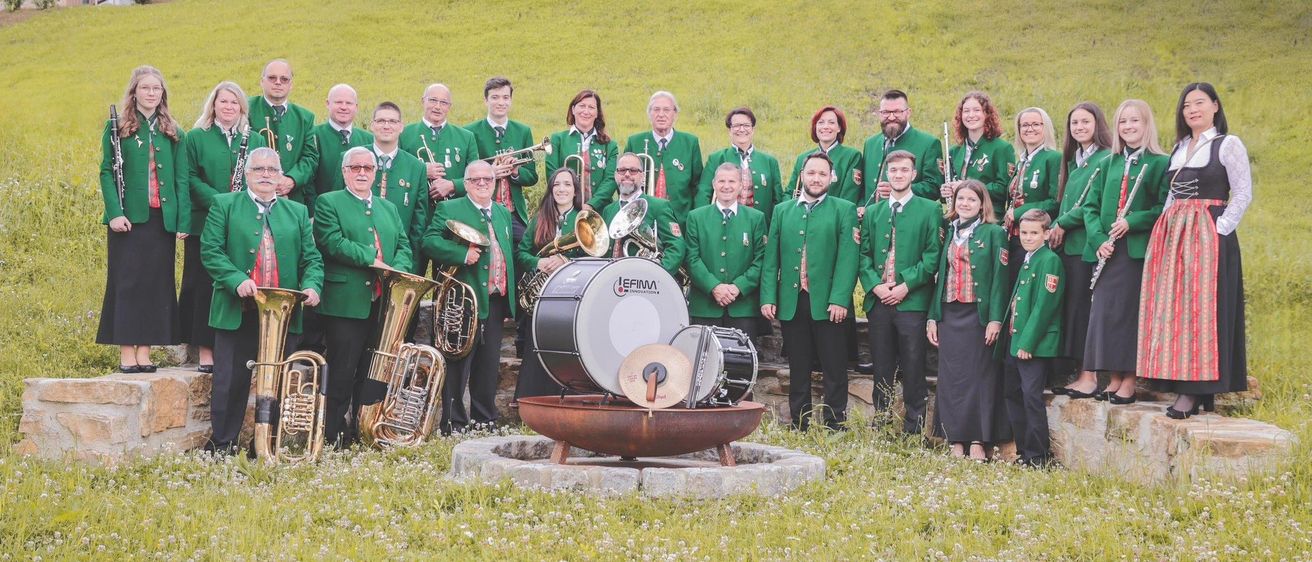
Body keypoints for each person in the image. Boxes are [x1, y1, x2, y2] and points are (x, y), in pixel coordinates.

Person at [199, 147, 323, 454]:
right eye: (259, 169)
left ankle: (268, 445)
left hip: (283, 314)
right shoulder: (224, 204)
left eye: (272, 170)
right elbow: (211, 251)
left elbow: (312, 259)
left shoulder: (296, 212)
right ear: (247, 175)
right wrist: (236, 280)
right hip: (237, 311)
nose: (266, 175)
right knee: (230, 382)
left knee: (280, 382)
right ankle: (223, 443)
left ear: (281, 176)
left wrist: (312, 286)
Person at [1139, 83, 1251, 419]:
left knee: (1203, 309)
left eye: (1199, 103)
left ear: (1215, 106)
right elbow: (1173, 195)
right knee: (1176, 309)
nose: (1192, 110)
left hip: (1207, 234)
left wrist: (1218, 229)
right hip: (1175, 236)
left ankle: (1196, 390)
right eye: (1187, 105)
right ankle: (1181, 380)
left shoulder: (1227, 144)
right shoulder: (1180, 146)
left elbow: (1243, 193)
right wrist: (1164, 229)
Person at [314, 147, 412, 446]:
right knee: (343, 371)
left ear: (375, 173)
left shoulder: (388, 208)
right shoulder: (328, 202)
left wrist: (400, 272)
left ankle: (364, 429)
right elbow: (332, 242)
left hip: (384, 302)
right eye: (355, 167)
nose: (361, 172)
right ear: (344, 172)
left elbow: (404, 245)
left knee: (373, 371)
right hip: (346, 303)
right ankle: (332, 434)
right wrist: (373, 259)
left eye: (368, 168)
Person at [96, 65, 189, 373]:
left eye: (157, 88)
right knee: (127, 284)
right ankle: (126, 351)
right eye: (146, 88)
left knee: (156, 285)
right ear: (134, 92)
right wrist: (114, 214)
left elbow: (181, 179)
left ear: (163, 94)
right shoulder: (119, 126)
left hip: (161, 220)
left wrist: (182, 221)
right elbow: (107, 172)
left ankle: (145, 351)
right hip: (128, 220)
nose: (152, 93)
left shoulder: (173, 130)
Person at [761, 152, 858, 431]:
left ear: (831, 178)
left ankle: (834, 423)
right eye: (811, 173)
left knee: (834, 367)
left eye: (822, 174)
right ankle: (799, 422)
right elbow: (772, 259)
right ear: (802, 175)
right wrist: (769, 296)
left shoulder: (844, 209)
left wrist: (840, 299)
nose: (816, 179)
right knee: (798, 367)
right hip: (793, 301)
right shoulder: (783, 210)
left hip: (829, 303)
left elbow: (848, 259)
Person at [1081, 99, 1169, 405]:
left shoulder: (1159, 162)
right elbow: (1089, 208)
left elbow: (1163, 208)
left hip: (1134, 251)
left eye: (1135, 121)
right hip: (1108, 251)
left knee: (1129, 314)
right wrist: (1098, 240)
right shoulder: (1108, 162)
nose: (1128, 127)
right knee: (1105, 313)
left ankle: (1129, 379)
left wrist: (1132, 221)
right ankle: (1114, 377)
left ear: (1146, 125)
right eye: (1123, 122)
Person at [423, 161, 516, 434]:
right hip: (462, 301)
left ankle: (484, 419)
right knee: (457, 363)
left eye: (488, 178)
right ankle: (453, 423)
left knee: (488, 365)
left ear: (495, 182)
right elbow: (428, 241)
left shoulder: (501, 211)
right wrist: (461, 255)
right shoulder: (449, 208)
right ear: (466, 183)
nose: (482, 183)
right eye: (475, 180)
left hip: (495, 300)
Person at [181, 81, 267, 373]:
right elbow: (189, 177)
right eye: (223, 102)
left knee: (238, 283)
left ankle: (234, 347)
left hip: (242, 224)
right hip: (204, 221)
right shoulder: (196, 137)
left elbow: (260, 179)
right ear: (213, 105)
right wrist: (221, 202)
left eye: (234, 103)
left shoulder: (253, 140)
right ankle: (205, 349)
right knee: (205, 284)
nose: (228, 107)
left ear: (242, 108)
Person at [858, 150, 942, 435]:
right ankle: (881, 421)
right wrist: (876, 286)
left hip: (912, 300)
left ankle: (914, 427)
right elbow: (864, 255)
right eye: (893, 170)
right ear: (886, 174)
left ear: (913, 174)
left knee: (913, 363)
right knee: (882, 364)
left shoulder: (930, 209)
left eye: (904, 170)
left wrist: (906, 285)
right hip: (880, 300)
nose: (898, 175)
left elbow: (933, 256)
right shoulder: (873, 212)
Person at [928, 180, 1009, 461]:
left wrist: (995, 319)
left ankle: (978, 439)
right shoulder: (948, 233)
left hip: (979, 314)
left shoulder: (994, 233)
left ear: (982, 204)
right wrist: (932, 316)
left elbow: (1001, 279)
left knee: (980, 377)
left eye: (971, 200)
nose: (965, 204)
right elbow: (938, 279)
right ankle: (955, 439)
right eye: (960, 199)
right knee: (951, 378)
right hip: (950, 312)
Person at [1049, 102, 1113, 398]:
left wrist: (1061, 222)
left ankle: (1090, 374)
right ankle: (1078, 371)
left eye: (1085, 122)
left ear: (1097, 124)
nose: (1079, 128)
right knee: (1073, 310)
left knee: (1086, 310)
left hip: (1087, 243)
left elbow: (1091, 205)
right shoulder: (1075, 159)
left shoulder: (1104, 159)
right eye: (1074, 123)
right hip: (1069, 246)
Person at [513, 168, 584, 399]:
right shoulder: (540, 217)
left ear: (575, 191)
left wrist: (567, 260)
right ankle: (531, 397)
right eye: (557, 185)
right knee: (538, 346)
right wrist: (538, 261)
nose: (561, 189)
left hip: (572, 294)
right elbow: (521, 252)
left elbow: (595, 256)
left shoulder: (583, 219)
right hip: (542, 294)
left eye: (567, 185)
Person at [1004, 209, 1065, 468]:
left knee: (1031, 397)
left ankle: (1039, 455)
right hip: (1015, 341)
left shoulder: (1048, 260)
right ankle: (1024, 451)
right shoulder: (1029, 259)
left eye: (1034, 233)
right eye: (1024, 233)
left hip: (1033, 345)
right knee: (1014, 395)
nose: (1028, 238)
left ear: (1046, 234)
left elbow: (1044, 306)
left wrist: (1027, 343)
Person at [400, 83, 480, 276]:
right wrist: (420, 170)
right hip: (416, 217)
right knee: (411, 275)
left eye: (443, 102)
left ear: (449, 106)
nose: (437, 106)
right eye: (433, 100)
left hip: (452, 221)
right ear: (423, 101)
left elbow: (477, 177)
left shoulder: (466, 137)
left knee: (449, 279)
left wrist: (452, 185)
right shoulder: (405, 134)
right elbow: (397, 172)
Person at [684, 163, 767, 336]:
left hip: (743, 308)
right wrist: (714, 287)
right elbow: (691, 258)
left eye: (732, 181)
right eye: (721, 181)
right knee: (705, 361)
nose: (726, 186)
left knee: (741, 362)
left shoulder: (756, 218)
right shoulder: (696, 217)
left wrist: (738, 287)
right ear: (714, 184)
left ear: (741, 186)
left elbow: (762, 259)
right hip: (705, 308)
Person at [466, 77, 539, 243]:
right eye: (495, 97)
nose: (501, 102)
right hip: (480, 211)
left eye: (506, 97)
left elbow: (532, 176)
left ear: (511, 101)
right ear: (486, 100)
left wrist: (515, 171)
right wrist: (490, 172)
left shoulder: (523, 131)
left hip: (513, 213)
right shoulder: (470, 132)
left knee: (526, 249)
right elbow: (465, 173)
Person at [1001, 107, 1061, 284]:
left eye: (1036, 124)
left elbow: (1055, 201)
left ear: (1046, 127)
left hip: (1034, 238)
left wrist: (1019, 213)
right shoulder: (1022, 161)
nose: (1030, 129)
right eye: (1025, 125)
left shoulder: (1053, 158)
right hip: (1014, 237)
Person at [601, 153, 685, 277]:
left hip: (646, 282)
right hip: (613, 279)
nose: (627, 174)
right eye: (622, 170)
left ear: (643, 176)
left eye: (633, 171)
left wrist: (659, 273)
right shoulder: (609, 210)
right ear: (615, 175)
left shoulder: (659, 206)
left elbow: (676, 246)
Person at [696, 107, 783, 226]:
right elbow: (703, 193)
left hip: (759, 227)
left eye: (746, 125)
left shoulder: (769, 162)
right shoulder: (716, 158)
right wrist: (702, 222)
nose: (741, 129)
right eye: (736, 125)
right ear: (729, 130)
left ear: (753, 129)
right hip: (722, 225)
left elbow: (777, 200)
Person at [247, 59, 317, 205]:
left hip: (292, 198)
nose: (278, 82)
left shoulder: (305, 117)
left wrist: (292, 179)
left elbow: (310, 157)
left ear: (291, 85)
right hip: (252, 196)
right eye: (272, 78)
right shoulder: (246, 108)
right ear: (262, 81)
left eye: (284, 79)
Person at [367, 102, 429, 267]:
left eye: (393, 121)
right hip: (359, 254)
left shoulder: (416, 167)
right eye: (381, 121)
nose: (386, 126)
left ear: (401, 127)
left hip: (398, 256)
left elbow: (419, 221)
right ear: (372, 125)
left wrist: (412, 262)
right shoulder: (353, 158)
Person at [624, 91, 704, 218]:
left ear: (675, 114)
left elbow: (698, 185)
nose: (661, 115)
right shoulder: (634, 142)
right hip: (642, 217)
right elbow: (623, 180)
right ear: (649, 114)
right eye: (656, 110)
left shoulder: (690, 143)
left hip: (680, 218)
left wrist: (694, 217)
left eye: (666, 110)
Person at [939, 92, 1015, 221]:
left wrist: (965, 186)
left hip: (987, 220)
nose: (971, 115)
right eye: (966, 111)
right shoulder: (953, 151)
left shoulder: (1002, 148)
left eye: (976, 110)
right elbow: (945, 197)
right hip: (958, 220)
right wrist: (945, 191)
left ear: (986, 114)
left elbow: (1003, 190)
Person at [861, 90, 944, 206]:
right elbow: (863, 189)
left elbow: (934, 188)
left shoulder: (929, 143)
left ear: (908, 113)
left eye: (897, 112)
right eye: (885, 112)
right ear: (879, 114)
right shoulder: (870, 143)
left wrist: (900, 189)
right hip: (872, 219)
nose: (891, 117)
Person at [545, 89, 619, 211]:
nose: (586, 111)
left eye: (591, 107)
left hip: (600, 211)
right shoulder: (557, 139)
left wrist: (591, 205)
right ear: (573, 110)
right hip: (565, 209)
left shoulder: (610, 145)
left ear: (597, 113)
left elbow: (611, 180)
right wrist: (570, 205)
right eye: (582, 106)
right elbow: (552, 175)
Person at [305, 84, 374, 212]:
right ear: (328, 104)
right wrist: (315, 212)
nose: (344, 107)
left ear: (356, 107)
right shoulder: (312, 135)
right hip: (323, 213)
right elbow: (308, 181)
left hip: (360, 213)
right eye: (338, 102)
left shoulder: (369, 139)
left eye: (349, 103)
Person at [786, 105, 864, 205]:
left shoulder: (852, 156)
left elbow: (848, 198)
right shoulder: (802, 158)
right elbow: (789, 193)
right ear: (815, 127)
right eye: (821, 122)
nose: (825, 126)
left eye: (831, 122)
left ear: (839, 127)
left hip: (835, 218)